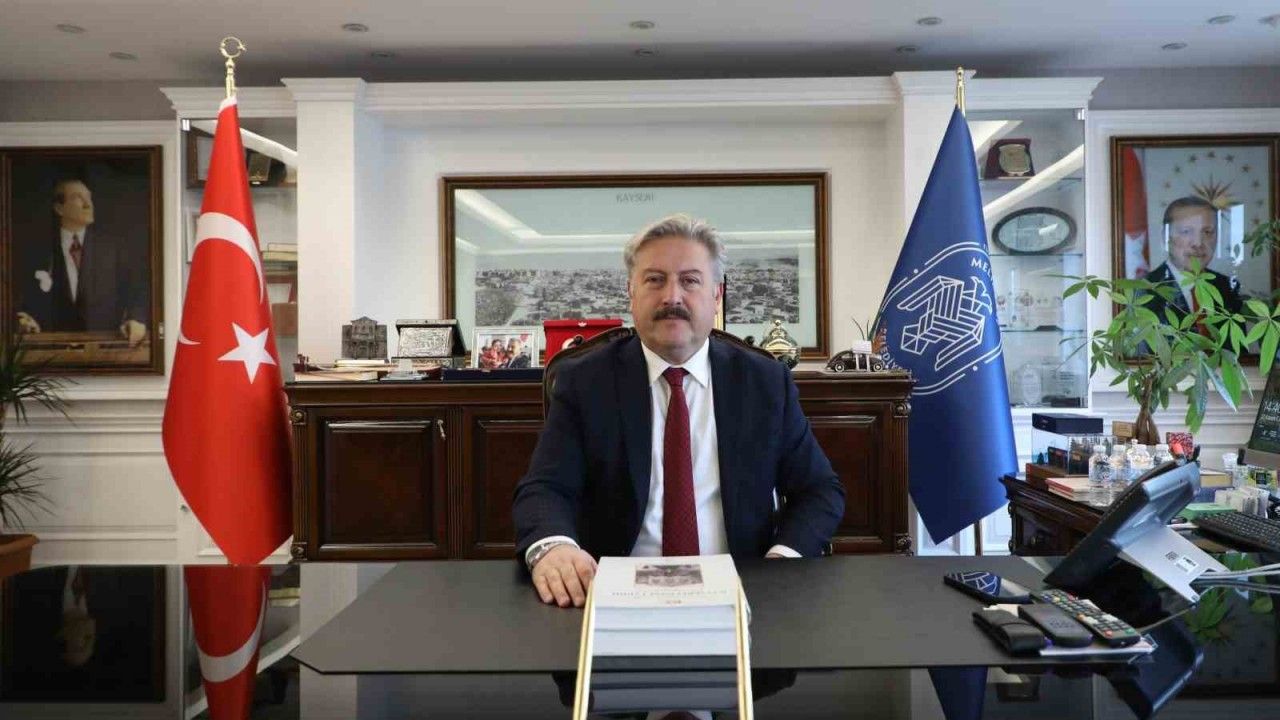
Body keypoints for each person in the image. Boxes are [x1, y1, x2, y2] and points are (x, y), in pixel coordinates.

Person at [512, 213, 845, 609]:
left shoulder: (764, 382)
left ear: (716, 295)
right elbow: (545, 489)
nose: (672, 297)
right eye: (655, 280)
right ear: (631, 292)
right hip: (613, 594)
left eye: (690, 281)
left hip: (742, 592)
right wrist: (554, 548)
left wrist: (781, 563)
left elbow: (819, 490)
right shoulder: (586, 381)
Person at [15, 179, 148, 346]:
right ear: (59, 208)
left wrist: (136, 319)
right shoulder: (38, 251)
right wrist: (22, 318)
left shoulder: (113, 249)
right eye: (78, 197)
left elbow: (136, 292)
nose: (88, 204)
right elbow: (20, 300)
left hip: (104, 349)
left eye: (89, 197)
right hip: (49, 351)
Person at [1143, 196, 1243, 325]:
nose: (1198, 243)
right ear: (1166, 237)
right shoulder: (1144, 290)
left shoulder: (1228, 287)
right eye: (1186, 231)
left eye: (1207, 232)